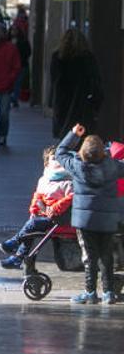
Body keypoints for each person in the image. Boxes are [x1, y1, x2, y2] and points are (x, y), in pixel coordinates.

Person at [54, 124, 124, 305]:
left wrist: (73, 135)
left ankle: (90, 292)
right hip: (108, 219)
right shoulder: (113, 167)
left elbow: (60, 152)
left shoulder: (77, 166)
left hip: (85, 221)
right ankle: (109, 293)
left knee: (89, 256)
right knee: (106, 254)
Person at [0, 146, 73, 269]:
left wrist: (53, 209)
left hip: (60, 219)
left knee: (32, 225)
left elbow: (71, 199)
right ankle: (18, 257)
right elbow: (37, 197)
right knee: (31, 227)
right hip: (45, 216)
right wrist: (34, 210)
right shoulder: (44, 179)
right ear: (46, 163)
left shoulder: (68, 182)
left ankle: (15, 243)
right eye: (54, 159)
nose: (57, 162)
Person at [50, 28, 102, 138]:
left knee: (64, 136)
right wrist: (95, 103)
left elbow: (54, 81)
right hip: (82, 103)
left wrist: (52, 101)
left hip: (62, 102)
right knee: (82, 136)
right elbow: (95, 82)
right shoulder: (87, 58)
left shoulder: (58, 57)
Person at [10, 26, 31, 109]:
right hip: (11, 66)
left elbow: (28, 52)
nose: (13, 32)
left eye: (15, 30)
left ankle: (14, 99)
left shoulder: (23, 41)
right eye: (12, 30)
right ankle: (13, 98)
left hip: (21, 65)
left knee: (17, 83)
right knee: (12, 83)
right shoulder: (8, 41)